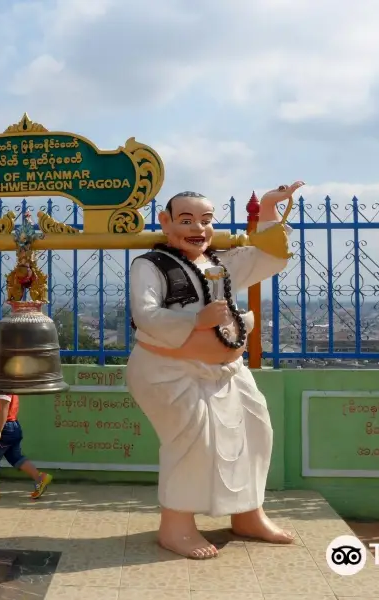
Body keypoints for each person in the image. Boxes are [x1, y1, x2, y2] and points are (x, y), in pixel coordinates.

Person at [126, 183, 302, 560]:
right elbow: (145, 315)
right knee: (194, 442)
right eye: (186, 220)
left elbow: (270, 256)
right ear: (166, 222)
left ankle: (248, 513)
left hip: (227, 370)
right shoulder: (149, 265)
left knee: (255, 432)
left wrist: (269, 208)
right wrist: (197, 318)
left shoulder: (221, 263)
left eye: (205, 220)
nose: (197, 228)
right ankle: (176, 525)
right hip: (168, 371)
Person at [0, 348, 52, 500]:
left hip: (5, 429)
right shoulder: (2, 381)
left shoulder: (3, 383)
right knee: (15, 457)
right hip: (12, 427)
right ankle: (40, 477)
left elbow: (4, 408)